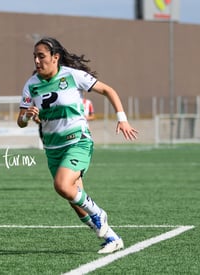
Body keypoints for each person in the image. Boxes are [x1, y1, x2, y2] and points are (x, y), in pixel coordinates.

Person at [17, 37, 138, 254]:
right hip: (53, 148)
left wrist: (122, 118)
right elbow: (20, 121)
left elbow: (109, 90)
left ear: (55, 57)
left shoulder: (72, 75)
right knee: (73, 199)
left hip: (77, 141)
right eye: (34, 56)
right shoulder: (31, 84)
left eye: (41, 56)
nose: (36, 60)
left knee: (62, 185)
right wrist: (26, 116)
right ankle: (112, 238)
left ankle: (100, 214)